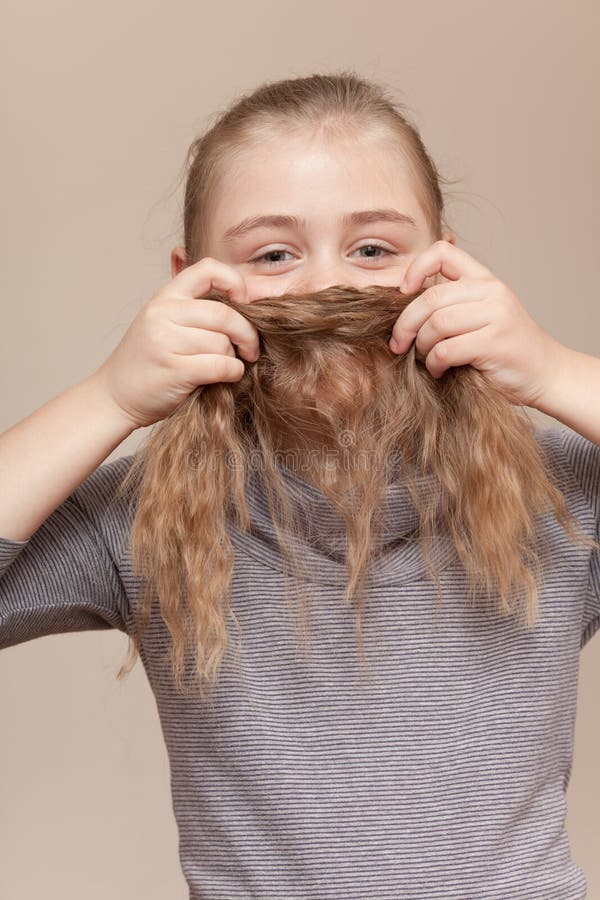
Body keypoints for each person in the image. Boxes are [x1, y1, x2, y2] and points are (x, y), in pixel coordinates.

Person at [1, 70, 599, 899]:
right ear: (190, 283)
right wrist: (108, 399)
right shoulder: (147, 518)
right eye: (274, 254)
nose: (326, 287)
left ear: (445, 268)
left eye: (373, 249)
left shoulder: (560, 495)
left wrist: (556, 372)